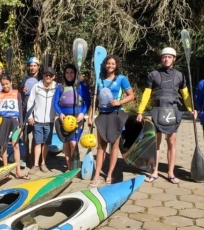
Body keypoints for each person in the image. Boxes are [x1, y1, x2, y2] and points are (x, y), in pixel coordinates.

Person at [137, 47, 197, 184]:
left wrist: (190, 109)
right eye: (164, 57)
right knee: (156, 143)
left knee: (171, 142)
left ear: (174, 59)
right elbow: (146, 94)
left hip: (173, 110)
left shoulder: (180, 75)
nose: (166, 59)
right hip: (158, 110)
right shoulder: (153, 74)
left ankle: (170, 173)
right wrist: (140, 111)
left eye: (169, 57)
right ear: (161, 58)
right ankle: (154, 172)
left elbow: (185, 94)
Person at [88, 55, 135, 186]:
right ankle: (97, 174)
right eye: (108, 63)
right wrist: (91, 116)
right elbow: (95, 101)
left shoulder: (121, 79)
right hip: (102, 116)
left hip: (116, 115)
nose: (110, 66)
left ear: (116, 65)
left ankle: (109, 174)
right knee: (101, 147)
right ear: (105, 65)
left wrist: (119, 102)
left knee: (114, 146)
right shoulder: (99, 80)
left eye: (113, 64)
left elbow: (131, 95)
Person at [0, 74, 30, 180]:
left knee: (15, 145)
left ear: (11, 83)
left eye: (7, 84)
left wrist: (21, 125)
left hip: (14, 121)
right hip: (3, 121)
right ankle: (5, 171)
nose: (5, 86)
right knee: (3, 146)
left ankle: (18, 171)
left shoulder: (17, 93)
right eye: (3, 84)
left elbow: (21, 110)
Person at [53, 64, 91, 171]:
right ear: (64, 74)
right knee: (66, 142)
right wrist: (60, 113)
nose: (69, 75)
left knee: (73, 143)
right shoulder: (60, 87)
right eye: (67, 72)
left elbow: (87, 102)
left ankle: (76, 166)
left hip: (77, 118)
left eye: (71, 72)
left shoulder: (81, 86)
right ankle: (69, 168)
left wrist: (83, 113)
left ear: (75, 74)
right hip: (64, 119)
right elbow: (55, 103)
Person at [27, 67, 57, 175]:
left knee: (46, 143)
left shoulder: (56, 88)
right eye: (46, 75)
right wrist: (30, 116)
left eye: (50, 75)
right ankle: (35, 164)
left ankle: (43, 163)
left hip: (50, 120)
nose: (48, 77)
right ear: (43, 75)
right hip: (38, 120)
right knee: (38, 142)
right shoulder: (36, 86)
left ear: (53, 76)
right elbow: (30, 102)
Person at [20, 57, 43, 167]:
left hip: (38, 108)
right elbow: (20, 93)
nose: (32, 67)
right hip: (26, 108)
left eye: (34, 65)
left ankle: (34, 156)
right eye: (31, 65)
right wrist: (22, 90)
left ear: (38, 67)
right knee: (25, 134)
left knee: (36, 133)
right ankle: (27, 154)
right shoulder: (25, 78)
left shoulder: (42, 78)